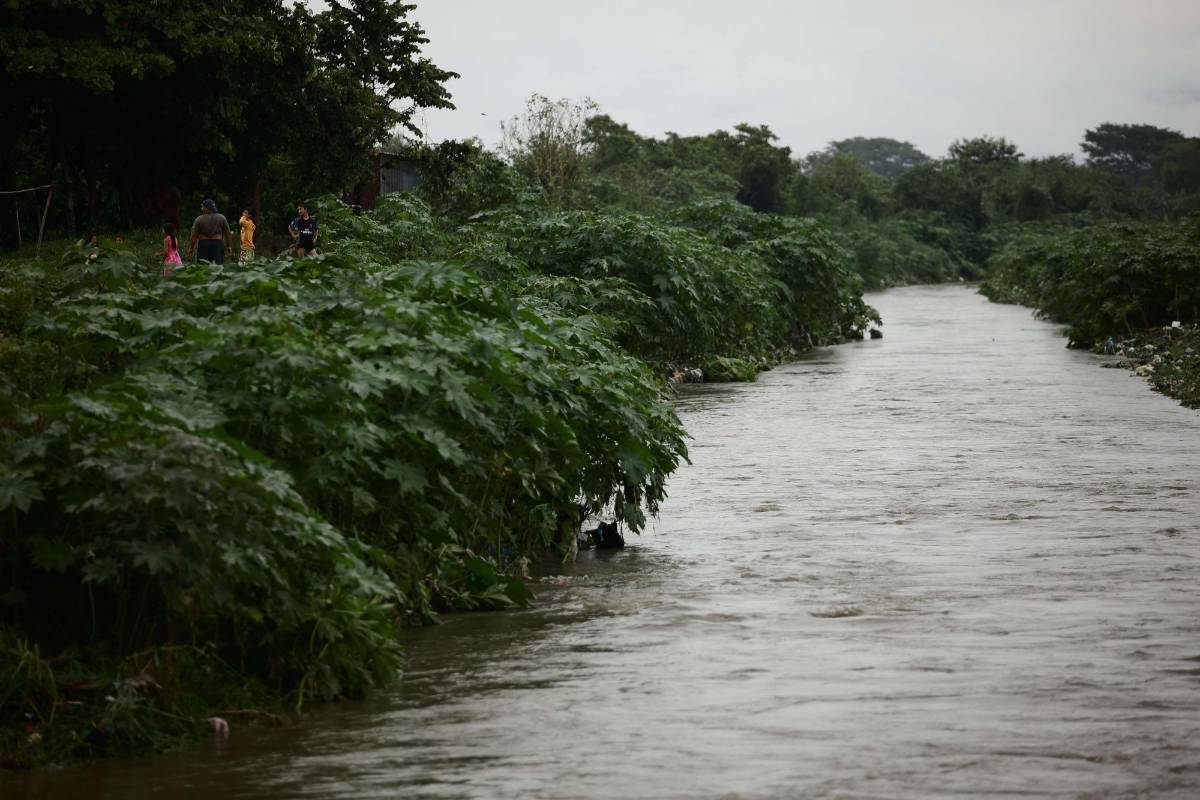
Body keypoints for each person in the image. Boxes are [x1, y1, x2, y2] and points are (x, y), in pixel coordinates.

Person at [188, 198, 233, 264]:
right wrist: (229, 246)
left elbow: (194, 234)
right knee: (218, 267)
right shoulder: (222, 217)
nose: (201, 208)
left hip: (203, 244)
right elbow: (228, 233)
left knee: (202, 267)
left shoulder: (199, 219)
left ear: (207, 208)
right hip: (217, 244)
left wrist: (191, 247)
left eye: (202, 207)